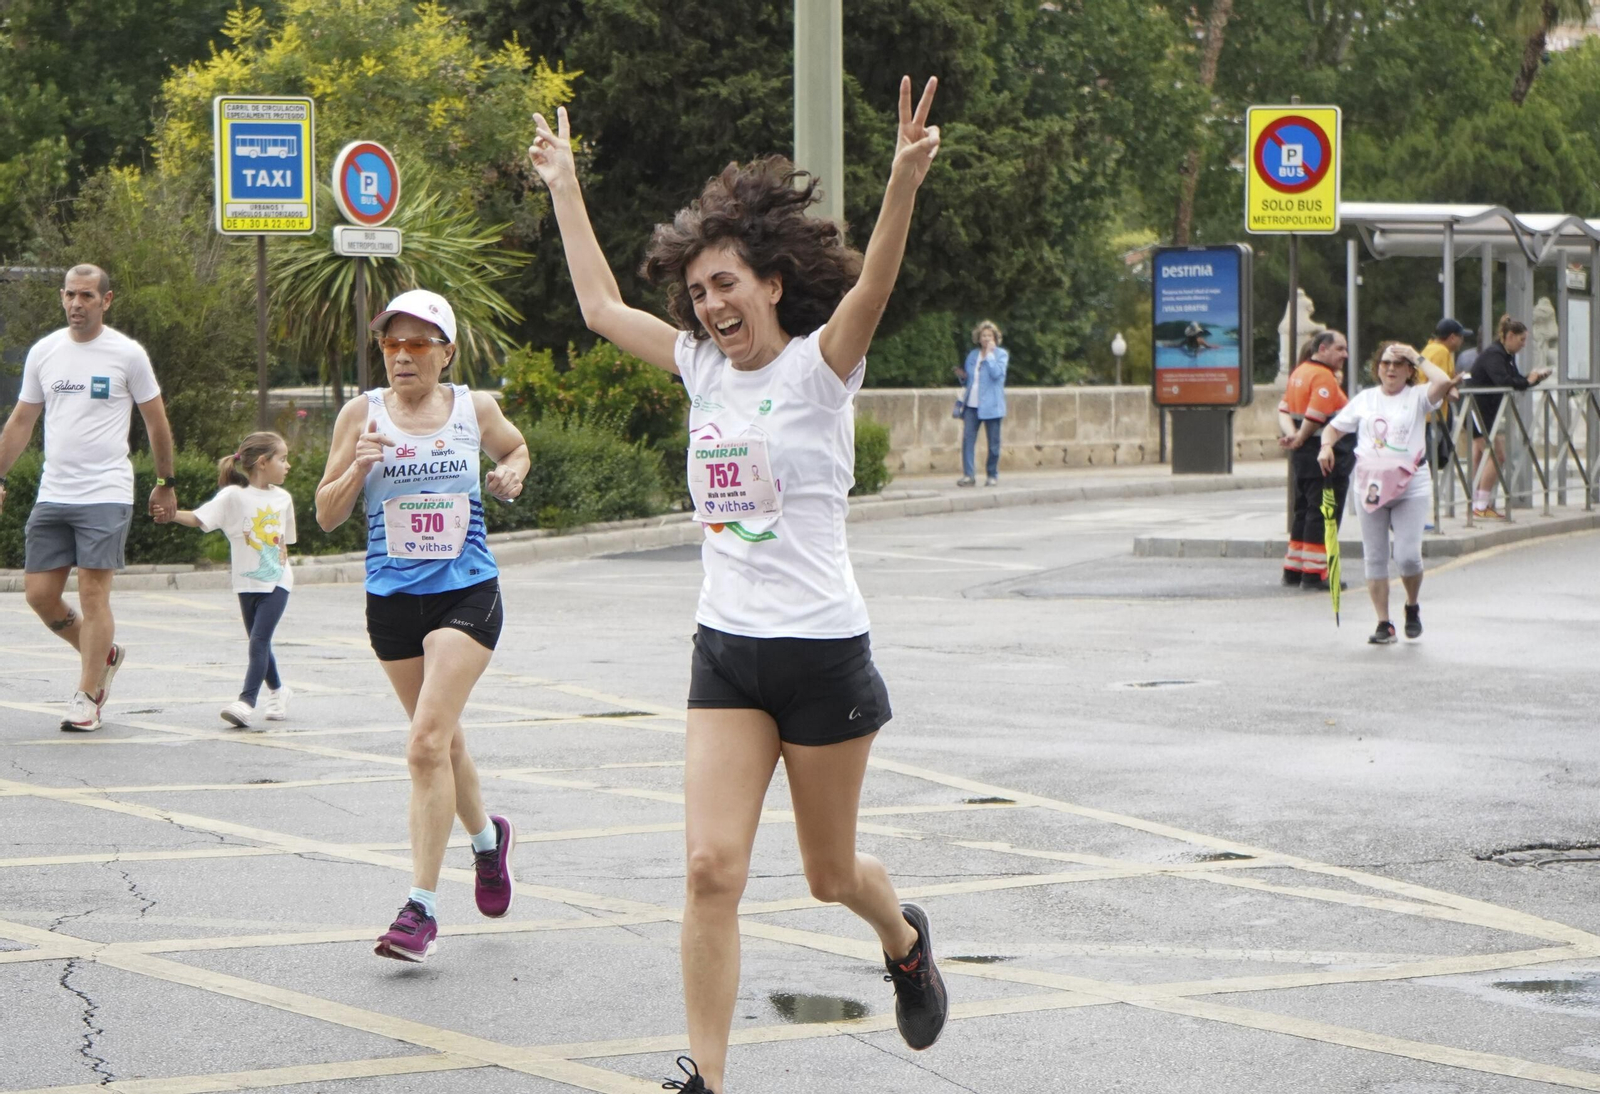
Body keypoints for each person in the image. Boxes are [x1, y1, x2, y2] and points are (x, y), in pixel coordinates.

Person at [529, 77, 949, 1094]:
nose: (710, 304)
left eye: (727, 283)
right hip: (726, 648)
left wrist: (900, 183)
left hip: (820, 656)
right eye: (699, 290)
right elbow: (594, 307)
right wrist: (564, 185)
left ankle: (899, 935)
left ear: (768, 284)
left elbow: (874, 291)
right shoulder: (698, 369)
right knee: (709, 867)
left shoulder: (818, 369)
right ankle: (706, 1078)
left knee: (827, 875)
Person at [314, 288, 530, 963]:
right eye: (391, 344)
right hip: (392, 602)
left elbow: (516, 449)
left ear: (447, 352)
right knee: (445, 746)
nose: (402, 356)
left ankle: (421, 911)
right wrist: (356, 467)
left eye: (417, 343)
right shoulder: (362, 414)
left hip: (466, 593)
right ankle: (489, 841)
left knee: (424, 744)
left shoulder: (474, 408)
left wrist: (509, 473)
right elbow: (323, 515)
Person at [0, 264, 175, 732]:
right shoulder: (45, 352)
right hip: (53, 491)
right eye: (70, 295)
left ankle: (88, 694)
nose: (77, 304)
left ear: (106, 299)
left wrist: (166, 481)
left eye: (87, 296)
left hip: (106, 491)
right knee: (40, 595)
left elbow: (155, 422)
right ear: (62, 298)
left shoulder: (127, 354)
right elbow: (22, 421)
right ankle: (105, 655)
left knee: (94, 592)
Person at [1319, 342, 1467, 644]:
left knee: (1407, 557)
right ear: (1377, 367)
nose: (1390, 369)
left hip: (1410, 484)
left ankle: (1412, 605)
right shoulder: (1365, 399)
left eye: (1398, 364)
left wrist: (1414, 354)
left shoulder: (1417, 397)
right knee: (1374, 557)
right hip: (1370, 485)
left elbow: (1441, 382)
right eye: (1385, 363)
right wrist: (1325, 447)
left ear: (1409, 371)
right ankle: (1383, 623)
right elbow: (1333, 428)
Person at [157, 432, 296, 728]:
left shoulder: (283, 499)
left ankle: (246, 702)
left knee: (259, 640)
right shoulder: (233, 496)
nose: (288, 466)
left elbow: (285, 542)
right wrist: (170, 515)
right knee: (260, 641)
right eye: (282, 459)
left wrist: (277, 566)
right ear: (262, 462)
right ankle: (279, 691)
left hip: (277, 581)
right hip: (246, 582)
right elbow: (198, 518)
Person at [1277, 330, 1353, 589]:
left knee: (1305, 511)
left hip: (1304, 453)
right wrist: (1300, 437)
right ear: (1323, 348)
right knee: (1324, 513)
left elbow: (1284, 410)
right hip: (1325, 453)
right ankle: (1315, 572)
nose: (1345, 354)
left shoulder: (1299, 372)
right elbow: (1316, 414)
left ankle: (1294, 568)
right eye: (1340, 349)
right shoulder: (1322, 377)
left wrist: (1293, 436)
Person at [1464, 314, 1550, 518]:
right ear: (1510, 336)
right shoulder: (1495, 354)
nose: (1523, 345)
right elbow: (1504, 381)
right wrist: (1528, 381)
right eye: (1522, 340)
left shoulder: (1505, 355)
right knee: (1497, 455)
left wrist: (1534, 379)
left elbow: (1517, 379)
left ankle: (1477, 502)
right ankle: (1481, 504)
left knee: (1482, 455)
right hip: (1479, 408)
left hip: (1488, 410)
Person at [954, 320, 1008, 486]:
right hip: (971, 404)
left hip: (992, 405)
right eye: (983, 335)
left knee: (993, 444)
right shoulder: (972, 355)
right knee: (968, 440)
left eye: (989, 336)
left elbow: (997, 375)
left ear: (995, 338)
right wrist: (962, 377)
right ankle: (969, 475)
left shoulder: (1001, 355)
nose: (986, 339)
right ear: (978, 338)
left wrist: (990, 355)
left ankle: (992, 474)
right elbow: (971, 380)